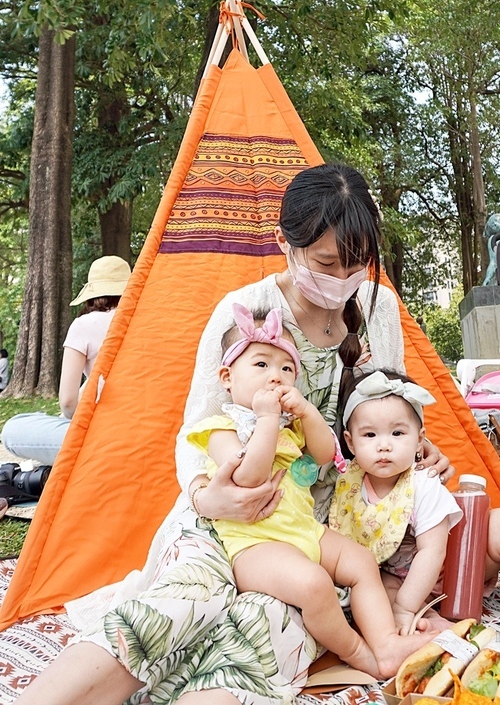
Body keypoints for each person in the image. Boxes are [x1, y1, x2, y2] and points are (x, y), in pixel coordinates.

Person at [16, 164, 452, 705]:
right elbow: (197, 428)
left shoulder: (377, 309)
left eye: (357, 263)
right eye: (325, 263)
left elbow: (384, 408)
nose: (342, 278)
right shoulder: (244, 312)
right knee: (174, 606)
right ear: (284, 244)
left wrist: (416, 444)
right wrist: (208, 494)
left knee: (263, 629)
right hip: (227, 516)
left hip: (314, 528)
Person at [187, 302, 436, 678]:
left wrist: (307, 414)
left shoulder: (290, 427)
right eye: (261, 365)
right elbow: (249, 478)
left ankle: (386, 642)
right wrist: (268, 420)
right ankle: (361, 654)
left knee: (360, 561)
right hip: (256, 545)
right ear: (227, 376)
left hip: (306, 531)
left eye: (286, 368)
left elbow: (324, 455)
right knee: (315, 584)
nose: (276, 377)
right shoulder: (221, 428)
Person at [331, 369, 500, 636]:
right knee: (375, 586)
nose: (384, 446)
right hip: (401, 578)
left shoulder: (423, 484)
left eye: (397, 433)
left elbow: (432, 552)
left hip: (457, 569)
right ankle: (430, 618)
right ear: (350, 442)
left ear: (420, 439)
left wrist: (404, 608)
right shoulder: (348, 485)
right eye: (370, 436)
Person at [2, 256, 131, 465]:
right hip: (145, 432)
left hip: (105, 438)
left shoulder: (84, 324)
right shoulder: (147, 325)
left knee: (13, 429)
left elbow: (68, 402)